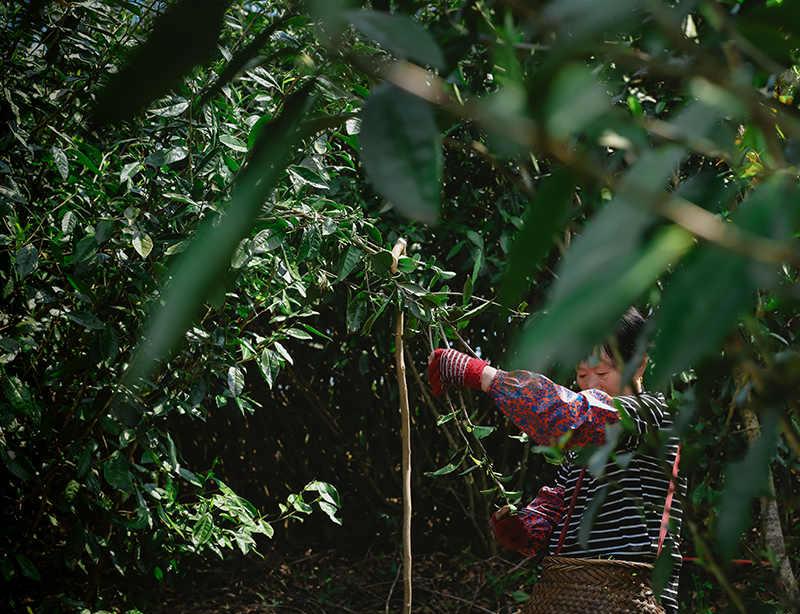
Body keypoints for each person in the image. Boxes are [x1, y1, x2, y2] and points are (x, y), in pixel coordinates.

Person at [427, 307, 683, 613]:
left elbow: (567, 415)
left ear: (638, 365)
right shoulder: (582, 445)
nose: (591, 385)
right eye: (581, 374)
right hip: (573, 592)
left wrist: (483, 375)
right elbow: (561, 504)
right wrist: (526, 528)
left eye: (602, 373)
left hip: (630, 593)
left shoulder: (647, 413)